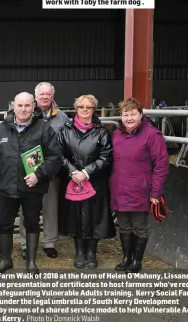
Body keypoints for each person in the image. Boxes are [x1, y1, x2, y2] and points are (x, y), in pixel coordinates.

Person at [0, 92, 62, 274]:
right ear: (14, 106)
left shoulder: (43, 128)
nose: (23, 109)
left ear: (33, 107)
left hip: (32, 187)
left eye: (27, 106)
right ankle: (5, 260)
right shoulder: (2, 129)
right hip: (5, 187)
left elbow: (54, 157)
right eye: (20, 105)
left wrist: (39, 175)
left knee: (32, 223)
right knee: (4, 224)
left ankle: (31, 263)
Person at [110, 98, 169, 273]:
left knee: (139, 226)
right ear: (120, 116)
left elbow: (161, 165)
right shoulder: (116, 135)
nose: (129, 118)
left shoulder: (152, 135)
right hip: (119, 188)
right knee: (124, 225)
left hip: (140, 190)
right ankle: (126, 258)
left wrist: (156, 192)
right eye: (125, 114)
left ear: (140, 114)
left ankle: (137, 261)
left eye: (133, 114)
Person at [57, 94, 116, 269]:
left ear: (93, 110)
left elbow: (106, 157)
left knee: (94, 216)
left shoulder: (102, 132)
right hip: (72, 181)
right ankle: (79, 251)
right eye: (81, 107)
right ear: (76, 109)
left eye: (88, 107)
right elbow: (58, 154)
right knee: (75, 215)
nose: (84, 110)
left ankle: (91, 251)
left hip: (95, 180)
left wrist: (86, 172)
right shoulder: (65, 130)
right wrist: (73, 171)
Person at [18, 82, 70, 259]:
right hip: (29, 169)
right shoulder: (27, 114)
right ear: (35, 95)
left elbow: (66, 142)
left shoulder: (62, 118)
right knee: (27, 208)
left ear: (53, 96)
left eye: (48, 94)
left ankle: (49, 242)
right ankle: (25, 243)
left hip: (52, 169)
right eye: (41, 94)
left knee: (50, 207)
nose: (45, 97)